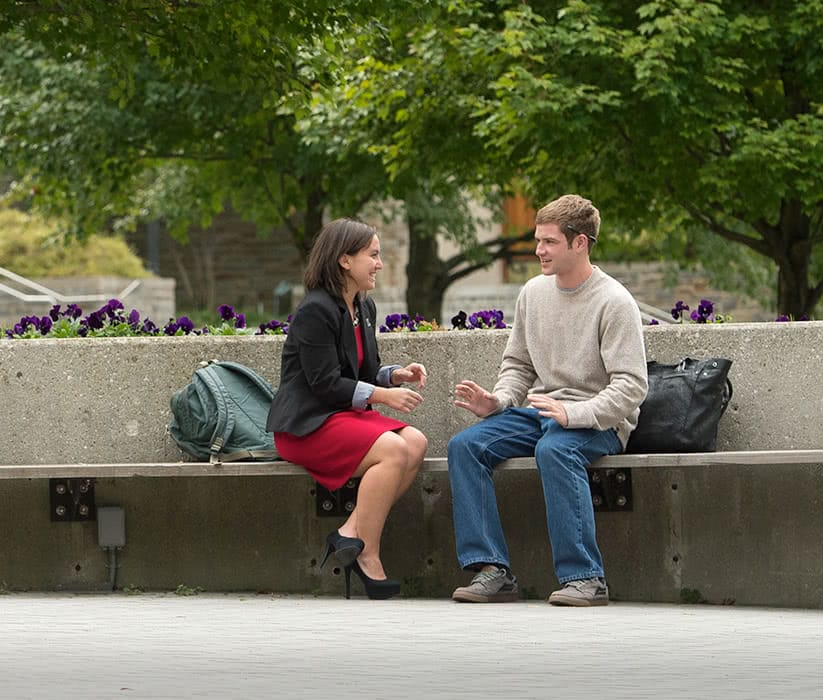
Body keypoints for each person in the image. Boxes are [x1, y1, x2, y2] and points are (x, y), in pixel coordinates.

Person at [447, 194, 647, 606]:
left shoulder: (614, 301)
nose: (538, 250)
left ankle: (586, 579)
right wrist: (498, 402)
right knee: (466, 445)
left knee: (554, 450)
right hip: (542, 412)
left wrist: (575, 413)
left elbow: (631, 386)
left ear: (581, 242)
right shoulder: (533, 294)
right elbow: (518, 364)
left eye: (549, 242)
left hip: (600, 422)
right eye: (538, 240)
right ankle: (492, 570)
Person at [266, 218, 429, 600]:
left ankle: (349, 533)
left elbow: (366, 372)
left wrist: (395, 377)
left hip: (342, 416)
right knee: (393, 450)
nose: (379, 264)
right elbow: (324, 383)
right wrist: (382, 397)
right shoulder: (315, 311)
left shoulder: (362, 306)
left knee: (416, 442)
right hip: (307, 424)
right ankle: (368, 553)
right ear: (344, 260)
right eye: (372, 255)